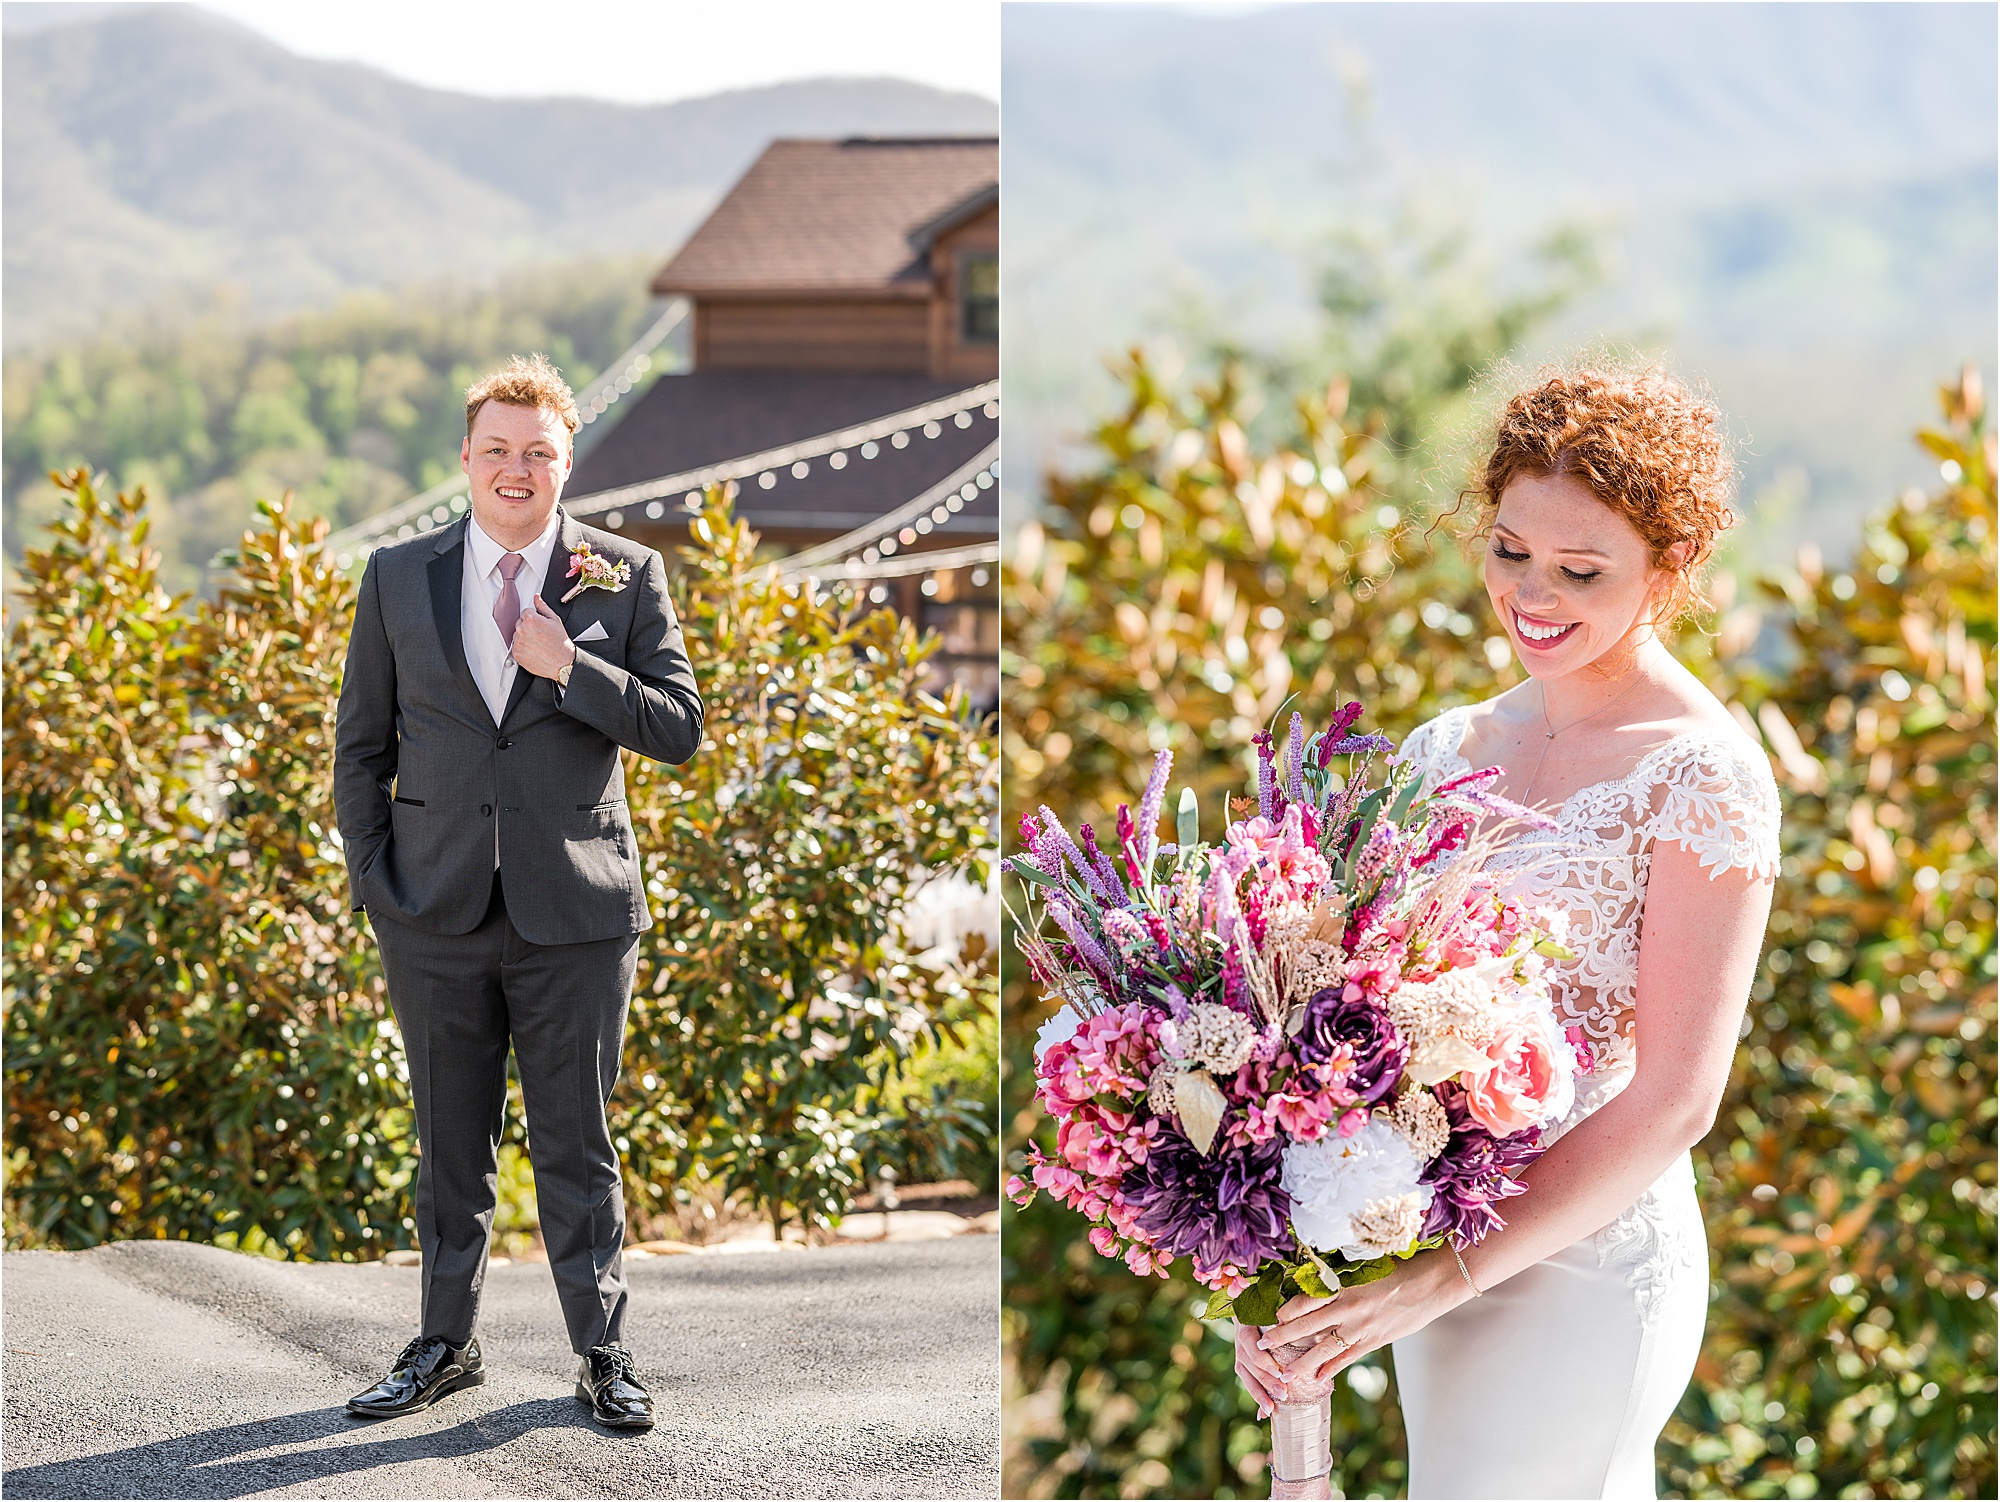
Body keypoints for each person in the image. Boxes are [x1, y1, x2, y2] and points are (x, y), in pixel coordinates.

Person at [1235, 365, 1781, 1498]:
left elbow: (1678, 1096)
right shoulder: (1442, 749)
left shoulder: (1704, 774)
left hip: (1583, 1264)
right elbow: (1356, 1025)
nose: (1531, 593)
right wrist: (1294, 1269)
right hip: (1427, 1255)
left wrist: (1441, 1276)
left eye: (1581, 570)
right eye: (1508, 550)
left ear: (1668, 570)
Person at [333, 353, 704, 1430]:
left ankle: (602, 1352)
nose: (515, 468)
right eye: (496, 448)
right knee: (449, 1139)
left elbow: (678, 728)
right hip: (431, 908)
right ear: (465, 458)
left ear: (565, 461)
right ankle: (443, 1343)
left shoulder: (622, 574)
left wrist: (567, 667)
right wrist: (377, 882)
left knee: (578, 1142)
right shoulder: (398, 576)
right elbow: (359, 745)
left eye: (536, 451)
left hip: (577, 911)